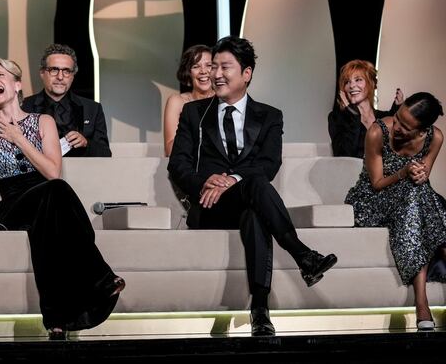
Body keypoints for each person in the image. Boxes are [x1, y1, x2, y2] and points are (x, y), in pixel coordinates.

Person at [0, 57, 125, 340]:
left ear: (17, 85)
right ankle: (101, 277)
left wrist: (19, 138)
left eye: (0, 75)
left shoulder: (44, 122)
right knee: (58, 193)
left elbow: (52, 171)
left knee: (50, 222)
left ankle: (56, 321)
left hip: (47, 198)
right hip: (13, 204)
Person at [167, 36, 338, 337]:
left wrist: (232, 179)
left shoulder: (270, 116)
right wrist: (205, 181)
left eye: (224, 67)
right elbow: (177, 166)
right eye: (214, 67)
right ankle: (303, 255)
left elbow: (270, 164)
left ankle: (260, 311)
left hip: (248, 203)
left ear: (246, 73)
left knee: (255, 212)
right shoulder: (195, 113)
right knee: (255, 184)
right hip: (209, 207)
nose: (215, 74)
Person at [345, 92, 446, 331]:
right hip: (371, 201)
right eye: (398, 118)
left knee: (417, 195)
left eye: (406, 126)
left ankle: (422, 303)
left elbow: (423, 177)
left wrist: (418, 174)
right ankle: (421, 303)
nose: (397, 127)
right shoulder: (377, 132)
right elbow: (376, 183)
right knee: (421, 198)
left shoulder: (435, 138)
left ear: (422, 130)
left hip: (412, 199)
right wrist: (403, 173)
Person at [22, 44, 112, 157]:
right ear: (42, 73)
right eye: (54, 70)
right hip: (38, 174)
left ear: (73, 75)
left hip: (82, 173)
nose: (60, 77)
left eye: (66, 71)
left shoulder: (93, 109)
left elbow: (105, 153)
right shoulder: (23, 107)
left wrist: (86, 143)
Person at [328, 59, 403, 158]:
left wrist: (398, 110)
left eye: (358, 79)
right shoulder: (336, 118)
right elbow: (343, 156)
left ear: (371, 83)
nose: (352, 85)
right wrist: (354, 116)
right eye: (347, 82)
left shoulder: (384, 117)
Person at [163, 45, 214, 156]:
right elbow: (170, 150)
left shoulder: (224, 100)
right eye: (196, 66)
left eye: (209, 65)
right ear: (189, 72)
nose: (203, 71)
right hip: (187, 169)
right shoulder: (177, 101)